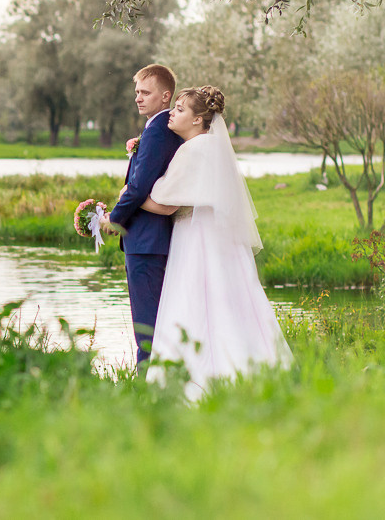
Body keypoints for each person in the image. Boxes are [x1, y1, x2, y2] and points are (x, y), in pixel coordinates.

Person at [139, 86, 293, 400]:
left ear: (198, 119)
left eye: (180, 109)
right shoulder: (215, 148)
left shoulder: (192, 149)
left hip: (196, 237)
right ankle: (253, 369)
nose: (172, 114)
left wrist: (130, 197)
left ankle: (196, 380)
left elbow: (164, 202)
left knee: (194, 299)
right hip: (223, 238)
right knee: (234, 299)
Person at [101, 64, 183, 366]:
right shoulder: (158, 129)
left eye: (145, 92)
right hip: (151, 240)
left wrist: (114, 219)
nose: (138, 98)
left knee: (147, 326)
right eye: (137, 92)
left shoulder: (159, 131)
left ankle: (145, 383)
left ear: (166, 96)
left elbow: (138, 188)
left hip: (147, 242)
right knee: (154, 321)